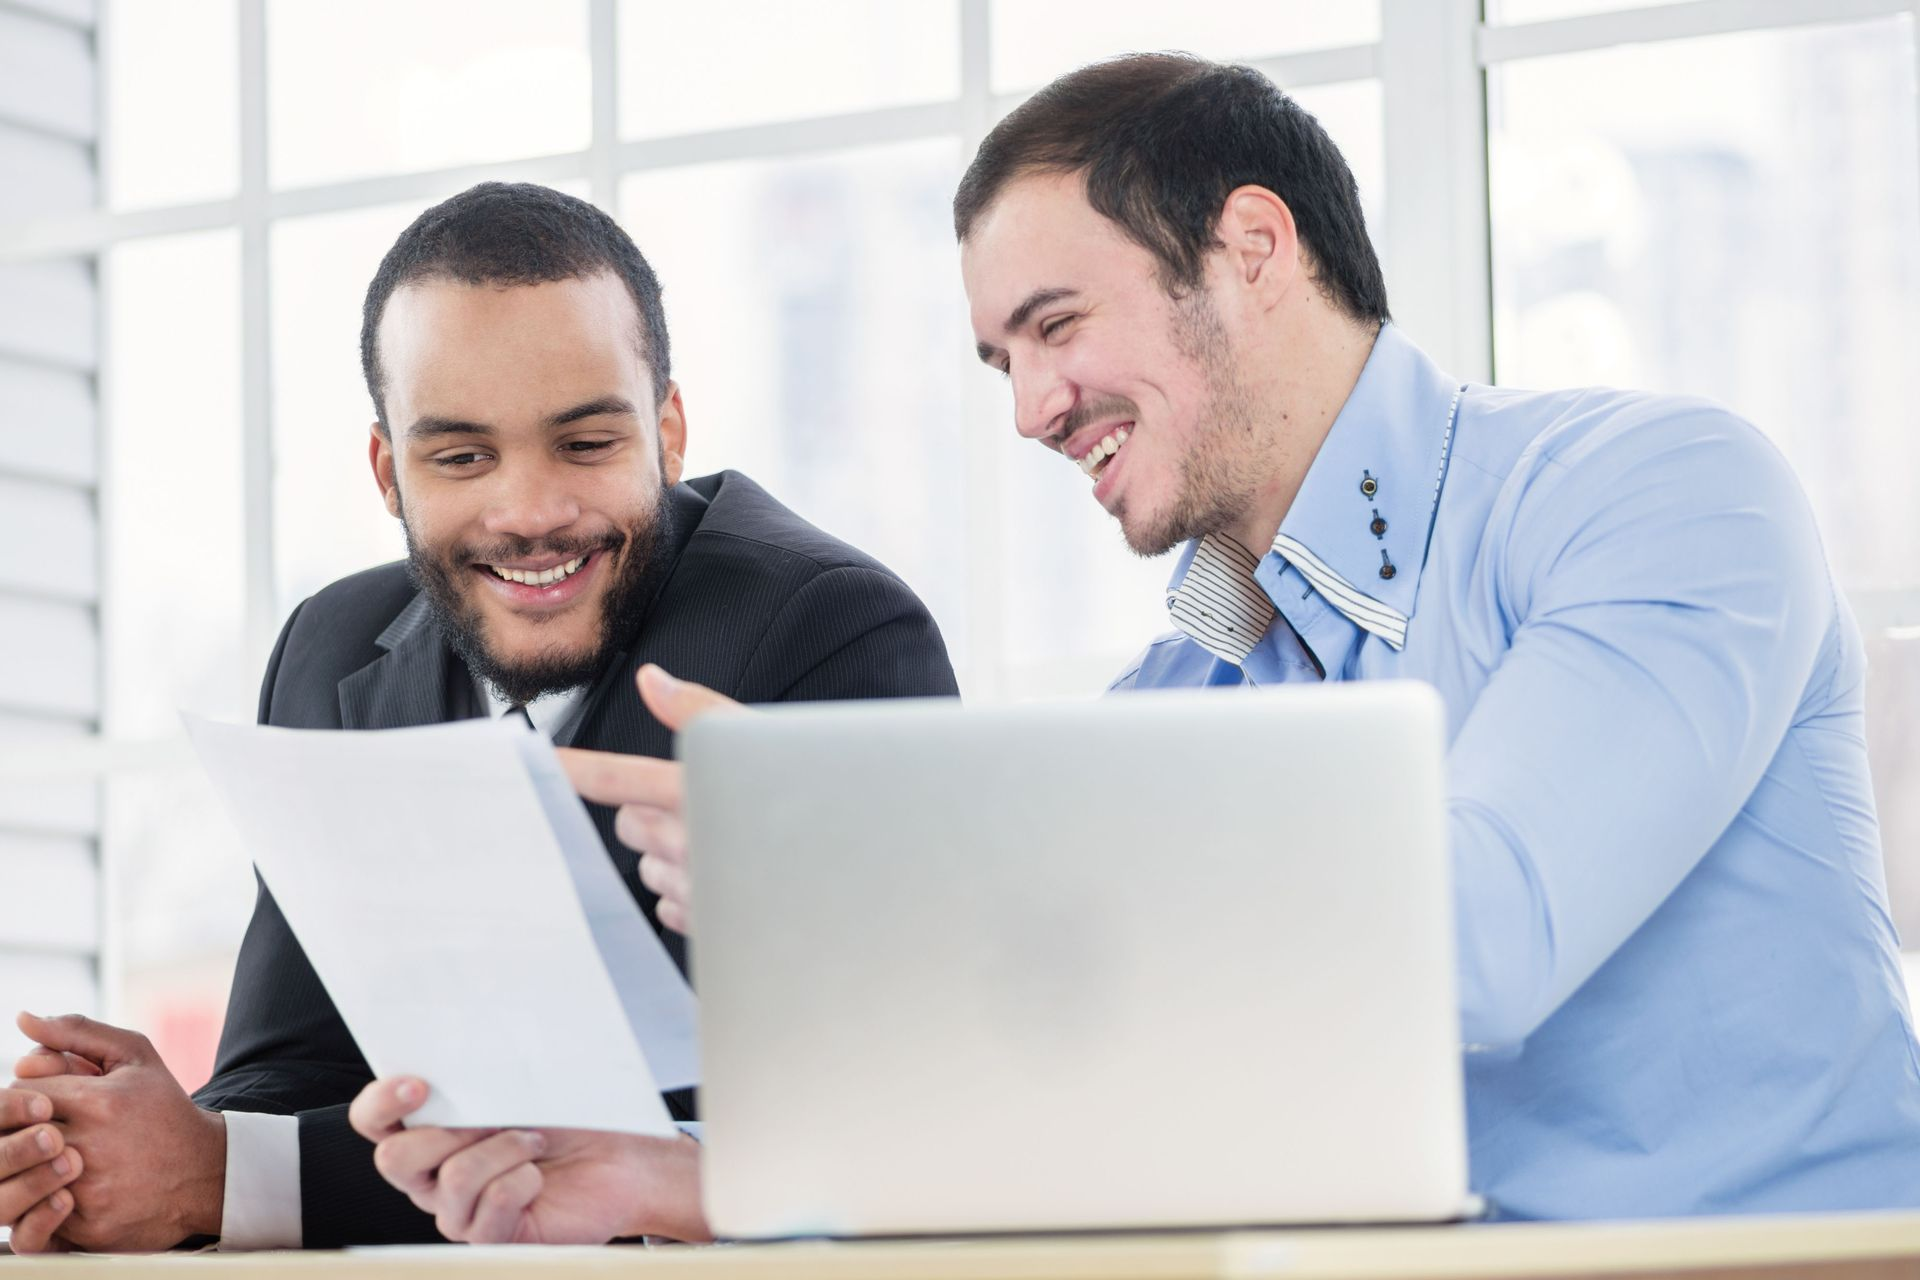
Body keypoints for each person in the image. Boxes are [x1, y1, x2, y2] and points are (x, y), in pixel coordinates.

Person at [347, 53, 1920, 1234]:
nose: (1032, 409)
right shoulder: (1181, 697)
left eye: (1054, 325)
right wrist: (680, 1185)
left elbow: (1480, 934)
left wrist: (890, 869)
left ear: (1250, 247)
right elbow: (1082, 1129)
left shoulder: (1655, 494)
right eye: (998, 361)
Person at [0, 181, 957, 1253]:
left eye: (587, 442)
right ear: (388, 470)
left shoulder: (828, 630)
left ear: (668, 431)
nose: (530, 512)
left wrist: (222, 1174)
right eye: (460, 456)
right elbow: (291, 1064)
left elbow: (861, 1136)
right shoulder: (333, 648)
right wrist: (105, 1151)